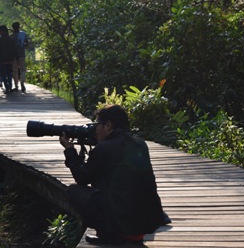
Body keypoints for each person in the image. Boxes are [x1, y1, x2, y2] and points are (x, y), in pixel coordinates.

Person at [59, 105, 165, 246]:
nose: (95, 130)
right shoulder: (140, 143)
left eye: (97, 125)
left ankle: (109, 235)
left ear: (108, 125)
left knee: (73, 191)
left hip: (124, 221)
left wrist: (70, 151)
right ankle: (119, 235)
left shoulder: (104, 148)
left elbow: (81, 178)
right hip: (146, 222)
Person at [0, 25, 16, 94]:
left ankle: (7, 87)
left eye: (0, 30)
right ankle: (10, 86)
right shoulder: (11, 39)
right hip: (10, 60)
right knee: (9, 74)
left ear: (2, 31)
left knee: (3, 74)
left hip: (2, 60)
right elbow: (14, 50)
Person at [10, 22, 29, 92]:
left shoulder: (11, 36)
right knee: (23, 70)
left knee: (15, 71)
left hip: (14, 56)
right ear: (19, 27)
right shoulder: (23, 34)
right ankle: (22, 82)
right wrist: (22, 45)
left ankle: (16, 86)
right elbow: (27, 44)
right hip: (22, 54)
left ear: (13, 28)